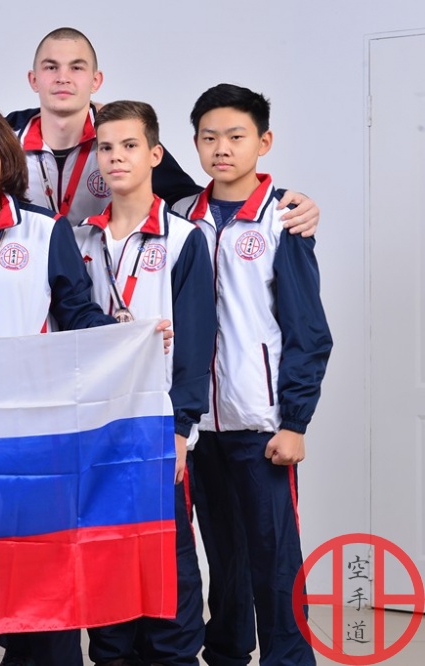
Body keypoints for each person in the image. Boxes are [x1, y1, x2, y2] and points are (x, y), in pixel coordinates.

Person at [0, 105, 173, 666]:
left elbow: (75, 310)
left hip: (33, 432)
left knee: (39, 577)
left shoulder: (46, 229)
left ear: (6, 159)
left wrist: (129, 335)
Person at [171, 83, 332, 666]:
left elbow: (307, 328)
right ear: (194, 144)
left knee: (275, 559)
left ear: (263, 142)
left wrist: (295, 421)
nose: (222, 148)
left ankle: (288, 658)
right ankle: (227, 653)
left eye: (236, 136)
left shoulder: (283, 219)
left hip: (261, 424)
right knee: (223, 556)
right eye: (209, 137)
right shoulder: (179, 219)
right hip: (198, 427)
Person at [76, 100, 216, 666]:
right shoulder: (80, 240)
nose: (117, 157)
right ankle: (112, 656)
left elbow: (198, 343)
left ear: (155, 154)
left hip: (157, 426)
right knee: (105, 556)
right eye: (106, 147)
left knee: (166, 556)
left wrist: (180, 429)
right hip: (95, 427)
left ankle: (174, 656)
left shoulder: (183, 239)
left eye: (130, 146)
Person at [6, 27, 320, 233]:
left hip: (102, 287)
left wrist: (281, 203)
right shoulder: (5, 139)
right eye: (51, 67)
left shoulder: (125, 139)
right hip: (27, 288)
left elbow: (194, 200)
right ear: (34, 79)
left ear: (95, 80)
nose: (63, 78)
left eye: (76, 67)